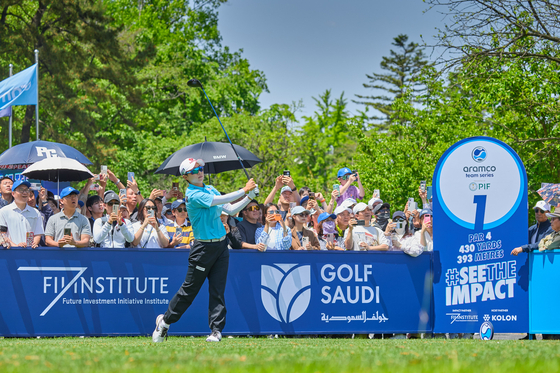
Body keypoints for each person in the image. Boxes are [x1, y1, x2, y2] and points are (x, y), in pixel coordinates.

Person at [152, 158, 257, 344]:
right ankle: (165, 322)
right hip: (202, 248)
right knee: (189, 291)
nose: (200, 172)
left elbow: (230, 209)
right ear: (186, 177)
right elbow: (220, 200)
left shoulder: (209, 188)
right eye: (195, 170)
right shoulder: (192, 194)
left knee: (218, 290)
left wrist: (248, 198)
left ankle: (216, 331)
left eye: (201, 168)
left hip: (221, 246)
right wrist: (244, 190)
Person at [0, 180, 44, 248]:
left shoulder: (35, 212)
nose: (25, 192)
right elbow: (2, 234)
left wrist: (33, 244)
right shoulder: (4, 211)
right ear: (13, 194)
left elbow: (38, 233)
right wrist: (16, 246)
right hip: (10, 252)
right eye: (21, 190)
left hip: (30, 253)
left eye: (27, 190)